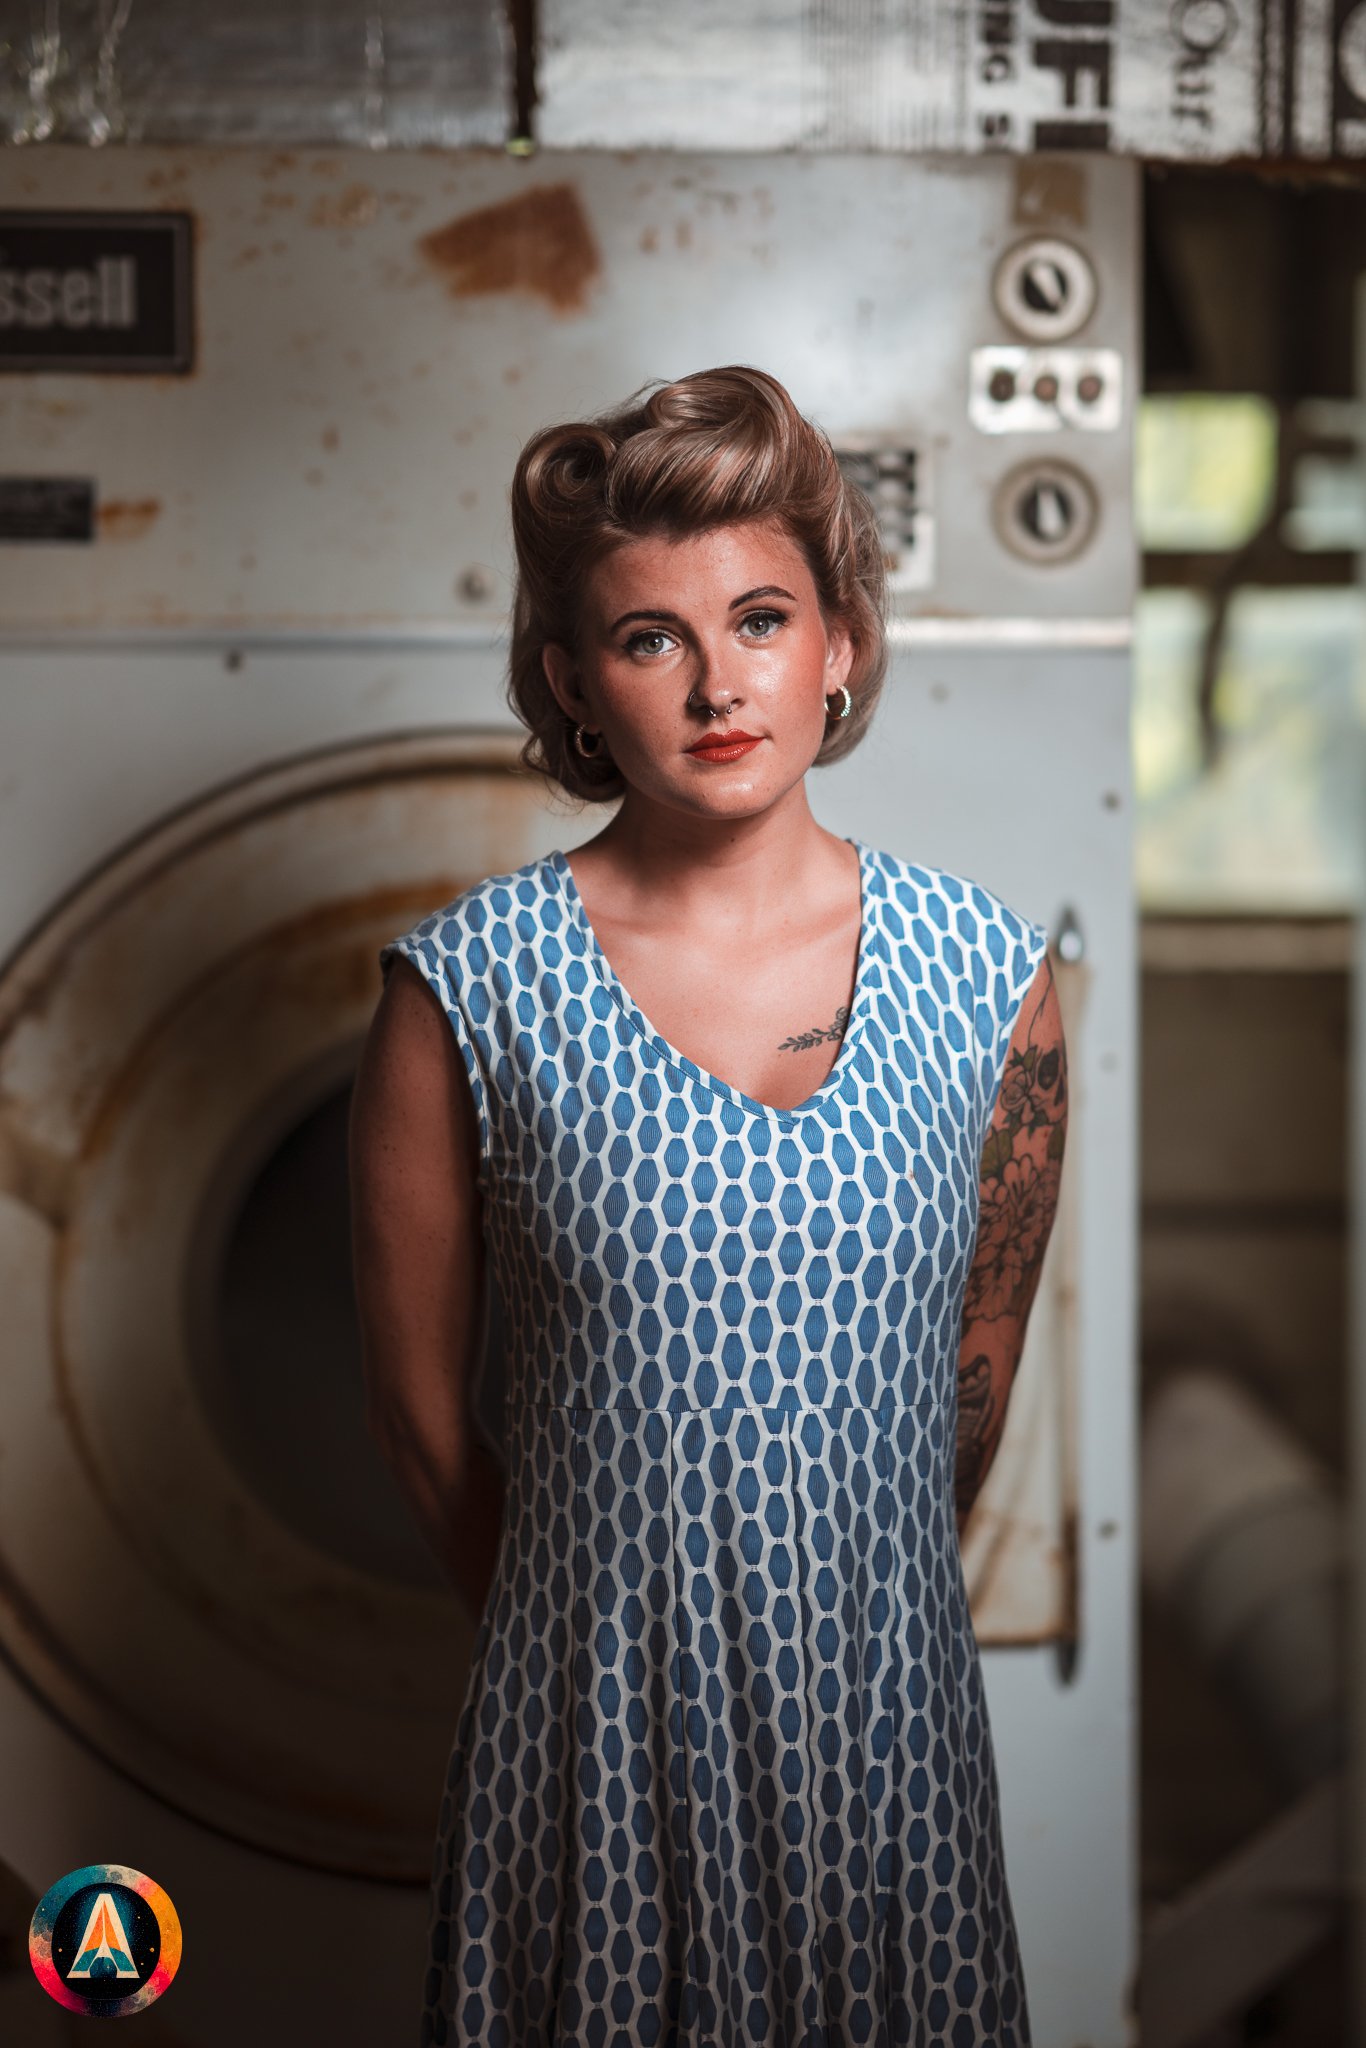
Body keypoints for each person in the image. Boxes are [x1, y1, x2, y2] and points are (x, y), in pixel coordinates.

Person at [349, 364, 1068, 2048]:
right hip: (586, 1748)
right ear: (573, 685)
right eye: (649, 638)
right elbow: (418, 1421)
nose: (719, 680)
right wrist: (600, 1644)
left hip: (887, 1749)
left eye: (759, 618)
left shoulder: (988, 981)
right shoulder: (469, 988)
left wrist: (830, 1612)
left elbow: (975, 1366)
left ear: (841, 646)